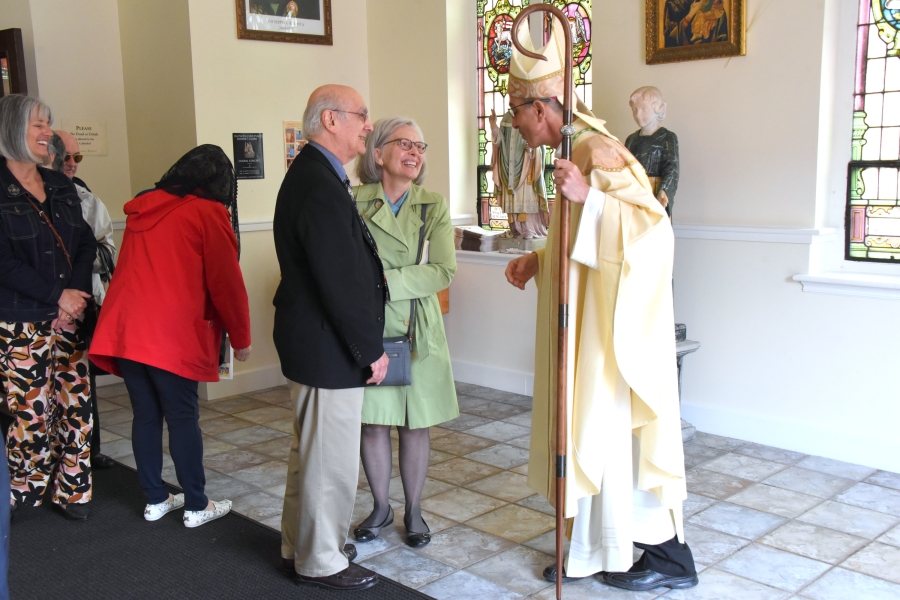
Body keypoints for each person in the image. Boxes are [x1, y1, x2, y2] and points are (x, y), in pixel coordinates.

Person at [502, 21, 698, 592]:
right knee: (585, 432)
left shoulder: (599, 150)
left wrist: (589, 198)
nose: (514, 124)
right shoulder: (573, 149)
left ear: (542, 109)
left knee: (611, 435)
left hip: (610, 338)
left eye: (518, 112)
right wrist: (541, 259)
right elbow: (576, 236)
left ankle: (667, 560)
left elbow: (652, 232)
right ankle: (590, 549)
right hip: (584, 325)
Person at [89, 144, 251, 528]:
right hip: (170, 334)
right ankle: (197, 504)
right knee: (182, 417)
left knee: (145, 415)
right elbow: (226, 283)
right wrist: (241, 337)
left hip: (128, 331)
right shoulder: (208, 212)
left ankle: (155, 499)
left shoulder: (144, 207)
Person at [273, 84, 386, 592]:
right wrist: (370, 350)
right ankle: (322, 560)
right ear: (331, 120)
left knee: (311, 454)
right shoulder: (318, 182)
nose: (368, 124)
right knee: (330, 461)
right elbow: (339, 281)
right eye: (361, 115)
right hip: (327, 344)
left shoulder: (316, 174)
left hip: (316, 341)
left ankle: (299, 546)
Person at [351, 118, 458, 549]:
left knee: (416, 425)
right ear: (378, 154)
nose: (415, 153)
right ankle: (380, 507)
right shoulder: (353, 202)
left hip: (418, 327)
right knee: (373, 424)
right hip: (368, 326)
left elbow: (444, 269)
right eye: (404, 144)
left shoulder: (433, 204)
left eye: (420, 145)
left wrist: (384, 283)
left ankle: (413, 510)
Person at [0, 94, 97, 520]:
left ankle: (72, 490)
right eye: (38, 124)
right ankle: (25, 490)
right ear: (10, 130)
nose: (47, 133)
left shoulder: (59, 185)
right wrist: (55, 296)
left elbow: (84, 242)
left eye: (48, 124)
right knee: (31, 410)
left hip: (68, 317)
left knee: (76, 407)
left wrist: (72, 297)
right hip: (20, 320)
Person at [48, 131, 118, 469]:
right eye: (66, 159)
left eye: (78, 158)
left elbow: (104, 249)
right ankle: (48, 457)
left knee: (79, 380)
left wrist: (74, 274)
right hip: (38, 304)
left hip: (81, 302)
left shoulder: (86, 200)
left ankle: (90, 451)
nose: (72, 164)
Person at [489, 108, 549, 238]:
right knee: (512, 198)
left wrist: (534, 148)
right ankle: (516, 229)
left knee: (526, 196)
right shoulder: (507, 117)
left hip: (526, 166)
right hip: (507, 166)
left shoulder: (531, 114)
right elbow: (499, 142)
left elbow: (541, 141)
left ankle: (529, 229)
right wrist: (493, 126)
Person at [624, 87, 679, 219]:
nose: (638, 114)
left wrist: (663, 190)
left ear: (657, 108)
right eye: (634, 110)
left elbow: (671, 168)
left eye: (643, 109)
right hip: (634, 194)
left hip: (654, 193)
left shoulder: (667, 137)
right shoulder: (631, 139)